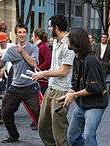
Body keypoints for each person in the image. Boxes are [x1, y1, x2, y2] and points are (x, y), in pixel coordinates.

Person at [59, 28, 108, 146]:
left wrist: (74, 95)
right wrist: (68, 95)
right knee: (72, 138)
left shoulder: (91, 60)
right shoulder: (77, 58)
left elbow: (94, 88)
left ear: (75, 41)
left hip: (96, 105)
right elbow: (75, 84)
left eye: (69, 39)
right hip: (83, 104)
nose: (66, 41)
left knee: (88, 136)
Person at [32, 15, 75, 146]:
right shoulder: (55, 41)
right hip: (51, 87)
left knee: (59, 131)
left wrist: (45, 73)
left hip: (62, 91)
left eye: (50, 26)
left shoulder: (69, 44)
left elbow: (64, 71)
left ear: (56, 27)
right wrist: (44, 74)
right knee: (43, 127)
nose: (49, 28)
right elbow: (54, 66)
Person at [0, 23, 40, 143]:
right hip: (15, 86)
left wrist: (22, 52)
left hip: (30, 86)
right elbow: (0, 65)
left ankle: (49, 138)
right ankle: (13, 135)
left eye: (24, 32)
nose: (21, 34)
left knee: (38, 113)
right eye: (19, 32)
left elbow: (34, 64)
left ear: (27, 33)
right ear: (16, 34)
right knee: (5, 112)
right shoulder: (11, 50)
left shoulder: (33, 48)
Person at [32, 28, 51, 94]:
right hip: (39, 78)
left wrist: (37, 69)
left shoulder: (44, 46)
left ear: (36, 37)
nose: (32, 38)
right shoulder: (39, 46)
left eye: (33, 36)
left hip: (43, 80)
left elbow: (47, 62)